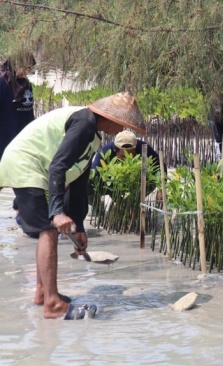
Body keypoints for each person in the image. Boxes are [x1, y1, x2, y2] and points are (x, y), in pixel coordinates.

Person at [0, 92, 145, 319]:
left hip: (36, 168)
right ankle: (52, 304)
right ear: (110, 118)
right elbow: (58, 166)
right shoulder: (84, 122)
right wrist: (57, 212)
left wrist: (79, 227)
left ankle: (42, 293)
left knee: (47, 229)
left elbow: (78, 183)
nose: (121, 130)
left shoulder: (93, 136)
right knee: (48, 229)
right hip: (26, 163)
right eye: (122, 124)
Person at [89, 130, 164, 201]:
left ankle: (133, 202)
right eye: (123, 156)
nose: (126, 160)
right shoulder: (105, 152)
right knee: (89, 185)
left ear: (135, 149)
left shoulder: (143, 148)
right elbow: (93, 173)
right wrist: (117, 199)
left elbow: (161, 167)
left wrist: (161, 189)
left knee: (150, 182)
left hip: (136, 183)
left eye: (130, 155)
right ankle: (98, 208)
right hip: (110, 183)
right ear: (115, 150)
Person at [0, 50, 36, 160]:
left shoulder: (26, 84)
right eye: (25, 68)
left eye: (29, 69)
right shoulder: (2, 82)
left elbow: (29, 110)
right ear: (16, 64)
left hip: (23, 137)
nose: (26, 72)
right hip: (5, 135)